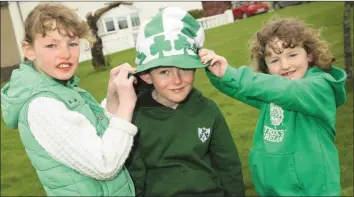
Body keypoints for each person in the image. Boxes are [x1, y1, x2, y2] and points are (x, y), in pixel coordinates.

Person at [104, 7, 246, 196]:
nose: (177, 80)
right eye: (164, 72)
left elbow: (228, 165)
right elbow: (134, 176)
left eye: (184, 69)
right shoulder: (133, 118)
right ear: (147, 76)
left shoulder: (208, 110)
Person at [1, 3, 138, 196]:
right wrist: (127, 104)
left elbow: (92, 134)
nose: (65, 53)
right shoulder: (42, 105)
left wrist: (112, 97)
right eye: (51, 45)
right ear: (29, 50)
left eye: (72, 43)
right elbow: (105, 163)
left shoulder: (61, 89)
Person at [199, 18, 347, 196]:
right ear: (266, 67)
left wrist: (231, 73)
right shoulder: (271, 93)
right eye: (274, 60)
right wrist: (218, 73)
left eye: (292, 55)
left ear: (309, 55)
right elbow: (240, 89)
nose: (285, 65)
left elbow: (288, 91)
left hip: (311, 191)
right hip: (274, 190)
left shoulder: (319, 88)